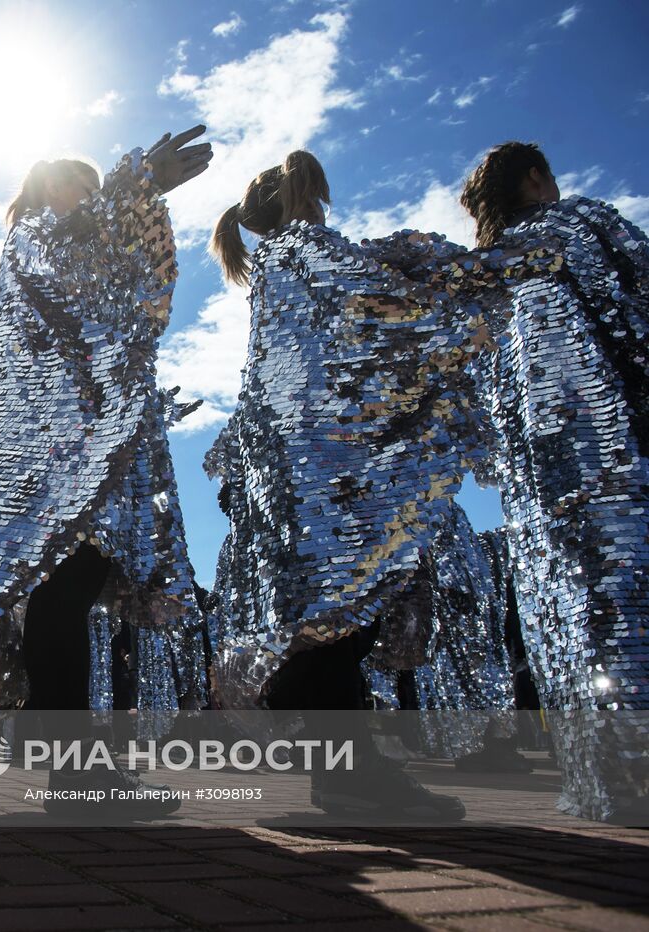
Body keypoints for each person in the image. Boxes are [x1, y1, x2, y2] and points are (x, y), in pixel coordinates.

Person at [204, 150, 550, 820]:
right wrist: (459, 306)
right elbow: (379, 305)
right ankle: (350, 778)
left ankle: (341, 771)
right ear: (308, 193)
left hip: (302, 465)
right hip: (327, 467)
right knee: (343, 612)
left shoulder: (279, 261)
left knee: (340, 612)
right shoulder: (304, 247)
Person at [0, 129, 212, 819]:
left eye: (99, 192)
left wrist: (138, 197)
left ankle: (64, 764)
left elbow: (124, 314)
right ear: (52, 190)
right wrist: (136, 183)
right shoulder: (32, 237)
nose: (96, 201)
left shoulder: (78, 244)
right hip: (52, 469)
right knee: (62, 597)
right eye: (85, 190)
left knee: (72, 593)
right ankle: (69, 771)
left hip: (94, 457)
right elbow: (72, 269)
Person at [460, 141, 648, 822]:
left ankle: (611, 778)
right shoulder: (581, 227)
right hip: (622, 455)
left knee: (578, 618)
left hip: (540, 491)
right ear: (536, 180)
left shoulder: (487, 278)